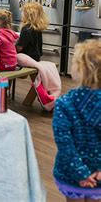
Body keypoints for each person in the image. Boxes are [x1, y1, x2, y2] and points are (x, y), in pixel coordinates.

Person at [52, 40, 101, 201]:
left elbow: (65, 144)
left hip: (71, 174)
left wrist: (81, 173)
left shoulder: (65, 104)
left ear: (82, 70)